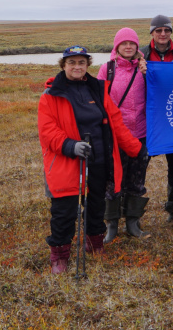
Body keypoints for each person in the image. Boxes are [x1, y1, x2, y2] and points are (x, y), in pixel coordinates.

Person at [38, 45, 143, 274]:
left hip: (98, 158)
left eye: (81, 62)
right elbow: (47, 132)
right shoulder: (50, 94)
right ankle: (60, 254)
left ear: (88, 65)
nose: (77, 67)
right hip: (67, 160)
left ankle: (94, 243)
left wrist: (136, 148)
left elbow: (115, 122)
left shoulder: (97, 88)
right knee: (64, 210)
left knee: (96, 205)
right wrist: (71, 146)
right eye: (72, 62)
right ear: (63, 65)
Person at [96, 28, 151, 243]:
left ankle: (133, 223)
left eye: (132, 43)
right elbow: (100, 101)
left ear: (137, 47)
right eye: (124, 43)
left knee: (137, 179)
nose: (128, 47)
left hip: (140, 134)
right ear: (116, 46)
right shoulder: (106, 70)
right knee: (113, 180)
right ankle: (111, 224)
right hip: (115, 135)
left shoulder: (146, 70)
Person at [140, 15, 173, 222]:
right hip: (147, 119)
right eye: (158, 30)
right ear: (152, 33)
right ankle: (133, 214)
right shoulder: (140, 54)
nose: (163, 34)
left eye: (166, 30)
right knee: (139, 164)